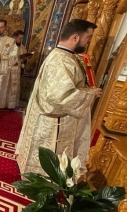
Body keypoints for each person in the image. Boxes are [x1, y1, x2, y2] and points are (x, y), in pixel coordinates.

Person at [16, 19, 102, 176]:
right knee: (49, 158)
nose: (88, 42)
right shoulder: (62, 60)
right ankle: (43, 181)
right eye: (87, 37)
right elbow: (59, 97)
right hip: (53, 122)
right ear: (75, 37)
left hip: (45, 117)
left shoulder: (61, 56)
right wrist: (91, 94)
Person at [0, 30, 34, 109]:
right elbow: (2, 56)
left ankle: (10, 104)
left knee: (13, 88)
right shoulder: (7, 46)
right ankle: (1, 104)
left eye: (21, 39)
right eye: (19, 38)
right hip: (8, 70)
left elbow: (22, 59)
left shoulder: (22, 48)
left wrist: (25, 57)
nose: (20, 40)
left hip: (16, 70)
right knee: (5, 87)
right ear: (14, 37)